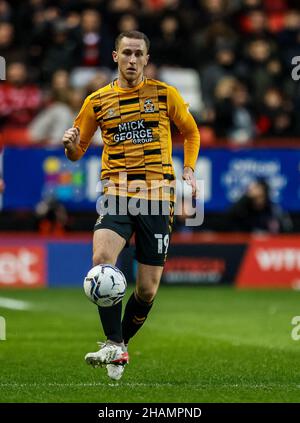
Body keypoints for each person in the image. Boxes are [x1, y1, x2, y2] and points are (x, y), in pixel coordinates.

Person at [62, 30, 200, 381]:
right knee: (101, 261)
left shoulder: (164, 94)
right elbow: (77, 153)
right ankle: (112, 341)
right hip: (117, 192)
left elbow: (191, 131)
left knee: (147, 289)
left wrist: (188, 168)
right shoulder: (96, 101)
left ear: (146, 59)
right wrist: (70, 146)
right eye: (127, 53)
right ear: (115, 56)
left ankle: (119, 345)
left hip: (157, 197)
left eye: (139, 54)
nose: (133, 59)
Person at [226, 178, 293, 233]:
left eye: (256, 187)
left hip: (270, 244)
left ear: (263, 190)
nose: (251, 190)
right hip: (247, 243)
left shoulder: (273, 208)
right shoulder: (244, 207)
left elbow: (287, 228)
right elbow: (230, 216)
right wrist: (245, 197)